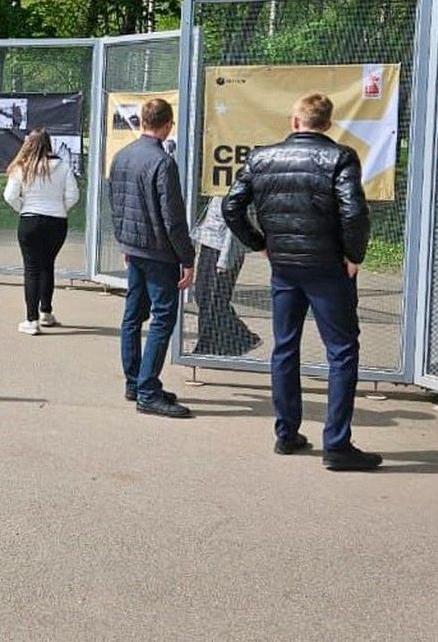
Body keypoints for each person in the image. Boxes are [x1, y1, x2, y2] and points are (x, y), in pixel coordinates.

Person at [222, 93, 379, 471]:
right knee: (341, 351)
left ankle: (286, 433)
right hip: (327, 268)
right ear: (327, 123)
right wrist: (353, 256)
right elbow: (354, 212)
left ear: (295, 122)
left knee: (285, 347)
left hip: (285, 268)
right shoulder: (340, 157)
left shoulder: (261, 158)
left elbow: (231, 207)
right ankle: (337, 444)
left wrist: (261, 244)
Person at [108, 98, 195, 418]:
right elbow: (173, 218)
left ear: (142, 121)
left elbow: (114, 203)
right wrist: (187, 258)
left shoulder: (121, 157)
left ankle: (136, 382)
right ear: (168, 124)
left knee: (133, 316)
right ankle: (147, 389)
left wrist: (125, 242)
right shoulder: (163, 163)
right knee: (162, 318)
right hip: (159, 252)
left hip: (134, 248)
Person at [3, 129, 80, 335]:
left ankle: (31, 320)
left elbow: (10, 195)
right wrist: (60, 208)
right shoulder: (62, 166)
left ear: (29, 144)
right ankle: (45, 312)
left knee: (32, 269)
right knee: (48, 266)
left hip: (30, 221)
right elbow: (73, 195)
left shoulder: (22, 166)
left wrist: (25, 207)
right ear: (49, 144)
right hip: (56, 222)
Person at [190, 196, 261, 356]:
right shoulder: (217, 185)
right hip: (210, 243)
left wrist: (225, 259)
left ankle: (213, 347)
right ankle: (234, 342)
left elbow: (235, 222)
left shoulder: (237, 186)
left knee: (214, 299)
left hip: (223, 249)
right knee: (204, 296)